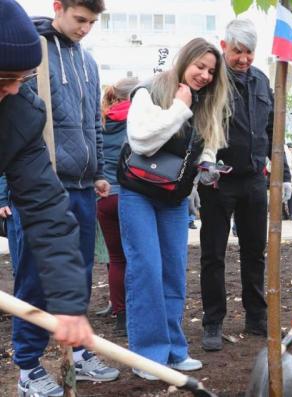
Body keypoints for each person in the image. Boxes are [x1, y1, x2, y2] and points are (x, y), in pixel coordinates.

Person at [9, 0, 120, 389]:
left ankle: (77, 348)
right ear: (58, 6)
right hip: (41, 182)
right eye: (80, 19)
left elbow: (94, 122)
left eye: (92, 22)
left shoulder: (87, 64)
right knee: (34, 281)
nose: (85, 28)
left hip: (80, 186)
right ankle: (27, 364)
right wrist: (6, 194)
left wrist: (99, 171)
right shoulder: (32, 54)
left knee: (76, 272)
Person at [118, 37, 230, 379]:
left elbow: (207, 142)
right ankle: (148, 357)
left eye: (211, 71)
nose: (205, 75)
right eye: (200, 67)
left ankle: (174, 349)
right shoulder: (150, 90)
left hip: (174, 198)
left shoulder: (206, 101)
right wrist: (180, 107)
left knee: (174, 273)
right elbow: (141, 139)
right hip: (138, 192)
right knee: (146, 271)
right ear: (184, 61)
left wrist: (209, 164)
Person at [198, 19, 292, 352]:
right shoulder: (212, 81)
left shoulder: (262, 81)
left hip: (254, 180)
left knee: (255, 251)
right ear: (224, 47)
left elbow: (270, 129)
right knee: (213, 254)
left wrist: (286, 174)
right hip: (217, 181)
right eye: (238, 51)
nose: (244, 59)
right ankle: (212, 321)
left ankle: (256, 316)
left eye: (249, 52)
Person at [98, 77, 138, 337]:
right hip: (131, 196)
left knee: (116, 259)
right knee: (137, 257)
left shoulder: (100, 120)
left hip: (104, 197)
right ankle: (137, 311)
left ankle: (120, 315)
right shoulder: (136, 118)